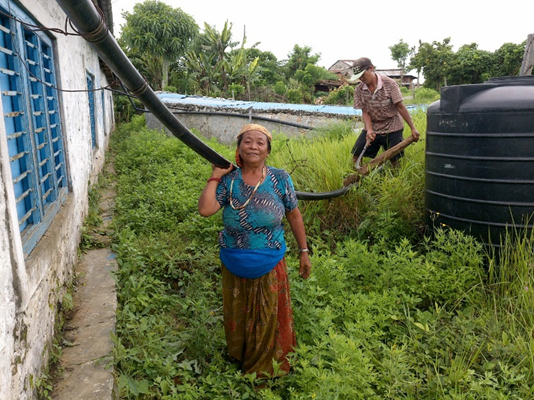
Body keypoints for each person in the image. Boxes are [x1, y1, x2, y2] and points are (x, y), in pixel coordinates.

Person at [198, 123, 311, 378]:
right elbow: (205, 210)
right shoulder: (229, 181)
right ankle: (241, 355)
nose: (253, 146)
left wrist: (304, 251)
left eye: (260, 142)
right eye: (248, 141)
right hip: (234, 261)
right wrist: (216, 174)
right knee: (239, 312)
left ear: (267, 150)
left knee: (268, 317)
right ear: (239, 148)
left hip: (269, 261)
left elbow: (294, 215)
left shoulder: (280, 178)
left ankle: (264, 368)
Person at [350, 57, 420, 167]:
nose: (361, 78)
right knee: (357, 153)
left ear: (371, 68)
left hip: (392, 125)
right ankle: (358, 178)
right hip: (374, 126)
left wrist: (413, 128)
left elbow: (400, 107)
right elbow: (365, 111)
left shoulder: (390, 84)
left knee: (394, 158)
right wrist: (369, 130)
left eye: (363, 75)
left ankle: (396, 179)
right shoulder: (359, 89)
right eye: (359, 77)